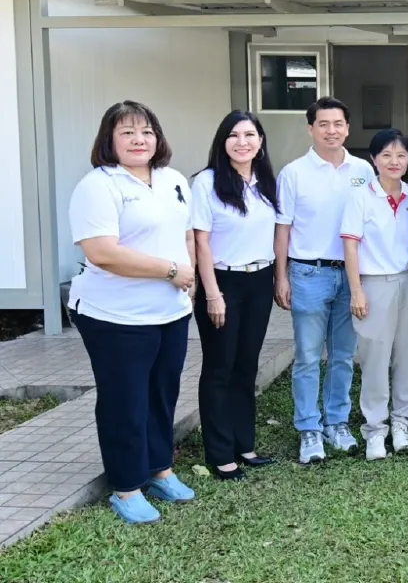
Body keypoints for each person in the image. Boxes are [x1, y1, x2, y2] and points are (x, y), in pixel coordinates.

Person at [67, 101, 197, 524]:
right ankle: (126, 486)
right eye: (127, 132)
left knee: (162, 394)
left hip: (169, 312)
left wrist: (190, 277)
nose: (139, 140)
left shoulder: (173, 179)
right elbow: (103, 253)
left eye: (146, 131)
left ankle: (160, 469)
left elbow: (185, 235)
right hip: (115, 315)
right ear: (110, 139)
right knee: (125, 401)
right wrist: (172, 271)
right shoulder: (98, 186)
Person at [274, 97, 374, 464]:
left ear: (348, 128)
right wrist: (281, 276)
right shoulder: (294, 173)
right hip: (308, 273)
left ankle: (337, 422)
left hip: (351, 275)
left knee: (344, 355)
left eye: (338, 124)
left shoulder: (363, 170)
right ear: (311, 129)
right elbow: (283, 229)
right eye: (323, 124)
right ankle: (309, 428)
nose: (331, 130)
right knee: (308, 356)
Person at [191, 110, 279, 481]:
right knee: (220, 367)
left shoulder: (266, 181)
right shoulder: (206, 182)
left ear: (260, 142)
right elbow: (201, 242)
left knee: (246, 365)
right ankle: (220, 453)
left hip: (259, 280)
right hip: (222, 282)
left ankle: (245, 444)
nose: (242, 142)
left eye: (249, 135)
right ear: (222, 141)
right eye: (234, 135)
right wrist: (212, 294)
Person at [341, 128, 408, 461]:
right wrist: (356, 290)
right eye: (386, 155)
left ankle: (402, 423)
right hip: (373, 284)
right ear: (374, 159)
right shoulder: (361, 196)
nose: (394, 161)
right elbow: (350, 246)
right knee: (374, 358)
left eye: (401, 155)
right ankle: (375, 429)